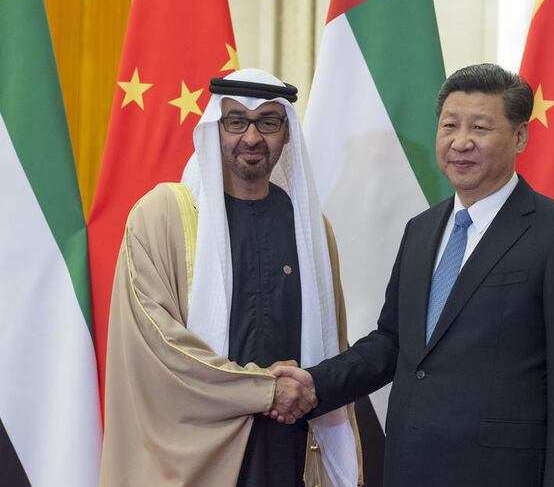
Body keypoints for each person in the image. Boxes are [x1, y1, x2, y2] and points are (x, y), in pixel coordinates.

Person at [273, 63, 554, 487]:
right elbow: (393, 342)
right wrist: (314, 383)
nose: (461, 142)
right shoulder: (423, 229)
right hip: (408, 466)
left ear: (520, 136)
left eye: (481, 128)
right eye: (450, 125)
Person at [99, 69, 362, 487]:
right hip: (198, 451)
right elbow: (158, 344)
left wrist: (297, 393)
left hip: (287, 445)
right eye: (236, 121)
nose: (252, 138)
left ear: (287, 133)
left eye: (269, 123)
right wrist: (262, 390)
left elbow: (333, 344)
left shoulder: (310, 229)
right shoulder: (161, 216)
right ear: (214, 129)